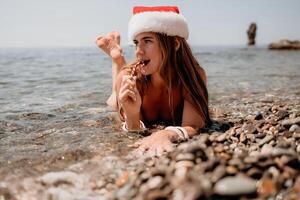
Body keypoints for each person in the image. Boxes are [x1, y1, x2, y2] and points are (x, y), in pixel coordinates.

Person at [96, 6, 211, 157]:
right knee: (113, 100)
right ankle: (117, 61)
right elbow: (133, 131)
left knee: (115, 93)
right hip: (124, 79)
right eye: (136, 42)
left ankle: (118, 60)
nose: (138, 51)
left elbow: (194, 125)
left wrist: (165, 134)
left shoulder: (193, 75)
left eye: (147, 41)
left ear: (174, 44)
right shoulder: (131, 77)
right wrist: (132, 116)